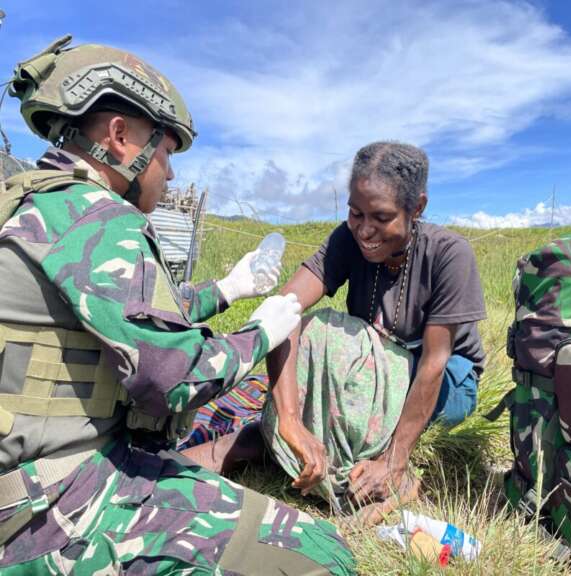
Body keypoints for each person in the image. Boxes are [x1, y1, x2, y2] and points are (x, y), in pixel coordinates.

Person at [0, 35, 355, 575]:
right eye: (166, 152)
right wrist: (261, 333)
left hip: (24, 480)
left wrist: (227, 290)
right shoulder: (98, 218)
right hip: (50, 508)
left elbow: (125, 315)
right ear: (120, 138)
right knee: (318, 556)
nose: (171, 174)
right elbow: (173, 379)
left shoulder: (33, 203)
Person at [261, 141, 486, 523]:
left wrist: (393, 461)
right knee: (317, 331)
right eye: (355, 213)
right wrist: (290, 419)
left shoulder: (450, 255)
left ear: (417, 208)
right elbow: (283, 310)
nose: (365, 230)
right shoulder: (346, 240)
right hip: (375, 363)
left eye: (381, 217)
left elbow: (434, 363)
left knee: (343, 380)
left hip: (446, 379)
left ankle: (401, 481)